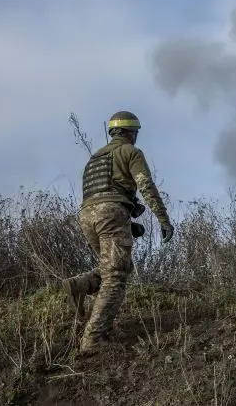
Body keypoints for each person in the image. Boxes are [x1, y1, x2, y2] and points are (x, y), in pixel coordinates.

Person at [63, 110, 175, 355]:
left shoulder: (95, 158)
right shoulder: (131, 152)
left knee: (116, 268)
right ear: (130, 133)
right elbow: (145, 185)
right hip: (110, 214)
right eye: (135, 133)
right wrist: (164, 220)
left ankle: (80, 285)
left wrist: (127, 218)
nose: (135, 137)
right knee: (115, 277)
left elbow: (101, 193)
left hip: (86, 215)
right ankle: (93, 339)